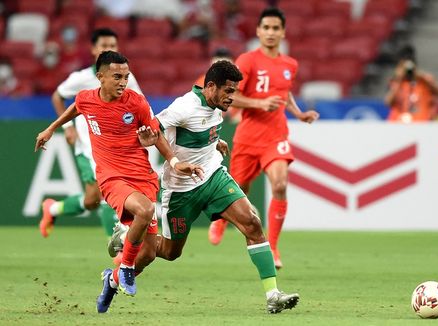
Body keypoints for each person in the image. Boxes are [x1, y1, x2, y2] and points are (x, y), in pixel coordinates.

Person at [108, 60, 300, 314]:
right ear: (211, 86)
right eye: (229, 91)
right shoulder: (185, 106)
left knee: (252, 222)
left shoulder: (216, 104)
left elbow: (202, 129)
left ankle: (273, 295)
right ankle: (126, 236)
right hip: (180, 190)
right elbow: (155, 127)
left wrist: (216, 140)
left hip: (213, 176)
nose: (233, 97)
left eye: (235, 91)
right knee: (169, 251)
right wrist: (163, 152)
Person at [35, 51, 203, 312]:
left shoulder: (135, 103)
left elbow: (155, 134)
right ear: (100, 77)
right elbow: (75, 109)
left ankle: (111, 281)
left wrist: (172, 161)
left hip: (142, 177)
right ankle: (124, 268)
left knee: (148, 254)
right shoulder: (87, 98)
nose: (123, 81)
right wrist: (52, 128)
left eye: (126, 76)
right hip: (111, 176)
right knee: (145, 210)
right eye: (117, 76)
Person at [207, 7, 319, 269]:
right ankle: (222, 219)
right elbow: (231, 97)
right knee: (239, 189)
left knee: (279, 184)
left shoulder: (290, 64)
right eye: (265, 28)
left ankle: (275, 248)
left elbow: (285, 92)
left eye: (275, 28)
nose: (270, 33)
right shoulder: (247, 61)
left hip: (276, 134)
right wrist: (260, 104)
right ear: (258, 31)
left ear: (282, 32)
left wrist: (298, 113)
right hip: (248, 136)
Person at [40, 28, 143, 241]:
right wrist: (67, 128)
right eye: (104, 45)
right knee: (105, 195)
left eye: (113, 45)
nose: (108, 49)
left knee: (91, 200)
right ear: (94, 49)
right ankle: (116, 248)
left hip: (114, 146)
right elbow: (58, 97)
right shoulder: (80, 79)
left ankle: (52, 209)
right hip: (88, 145)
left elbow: (139, 105)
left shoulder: (126, 79)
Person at [384, 45, 438, 123]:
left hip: (421, 123)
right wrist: (399, 80)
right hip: (398, 123)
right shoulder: (394, 82)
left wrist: (421, 76)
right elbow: (387, 102)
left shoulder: (424, 81)